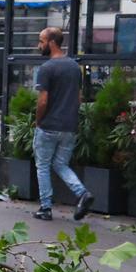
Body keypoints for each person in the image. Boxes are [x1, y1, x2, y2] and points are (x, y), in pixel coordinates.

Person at [32, 26, 93, 221]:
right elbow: (78, 98)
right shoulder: (74, 67)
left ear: (51, 42)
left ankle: (45, 208)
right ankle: (82, 193)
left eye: (41, 41)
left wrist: (38, 121)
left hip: (49, 126)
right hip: (69, 126)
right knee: (61, 164)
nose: (38, 45)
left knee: (42, 165)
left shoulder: (46, 68)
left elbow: (42, 101)